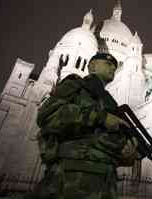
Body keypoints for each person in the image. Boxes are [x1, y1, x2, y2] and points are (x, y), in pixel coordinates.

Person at [29, 52, 139, 199]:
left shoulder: (110, 101)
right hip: (70, 179)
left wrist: (127, 156)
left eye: (114, 65)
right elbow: (47, 114)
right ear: (92, 66)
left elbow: (104, 142)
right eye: (108, 64)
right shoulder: (76, 84)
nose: (113, 67)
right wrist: (101, 117)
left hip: (106, 183)